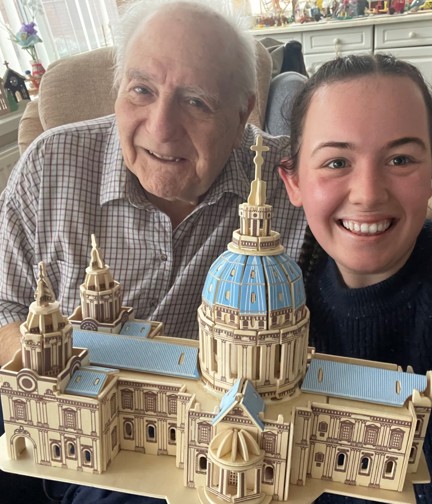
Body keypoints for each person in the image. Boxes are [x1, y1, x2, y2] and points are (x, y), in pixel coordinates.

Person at [0, 1, 306, 503]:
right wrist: (69, 367)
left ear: (242, 113)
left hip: (207, 443)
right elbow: (3, 309)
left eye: (196, 102)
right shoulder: (47, 166)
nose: (161, 128)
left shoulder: (288, 181)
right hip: (67, 422)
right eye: (142, 90)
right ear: (117, 91)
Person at [279, 53, 432, 503]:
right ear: (293, 182)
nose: (368, 193)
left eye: (400, 159)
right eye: (336, 162)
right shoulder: (284, 295)